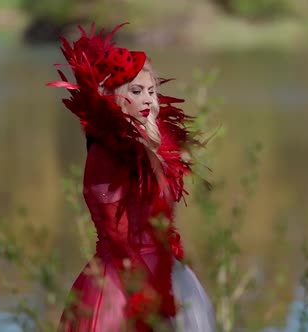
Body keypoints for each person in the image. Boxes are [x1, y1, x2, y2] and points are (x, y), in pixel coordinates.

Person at [47, 22, 215, 332]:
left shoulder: (153, 147)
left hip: (167, 269)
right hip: (122, 276)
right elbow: (115, 234)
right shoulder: (103, 153)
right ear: (112, 95)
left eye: (152, 91)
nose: (149, 100)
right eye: (137, 91)